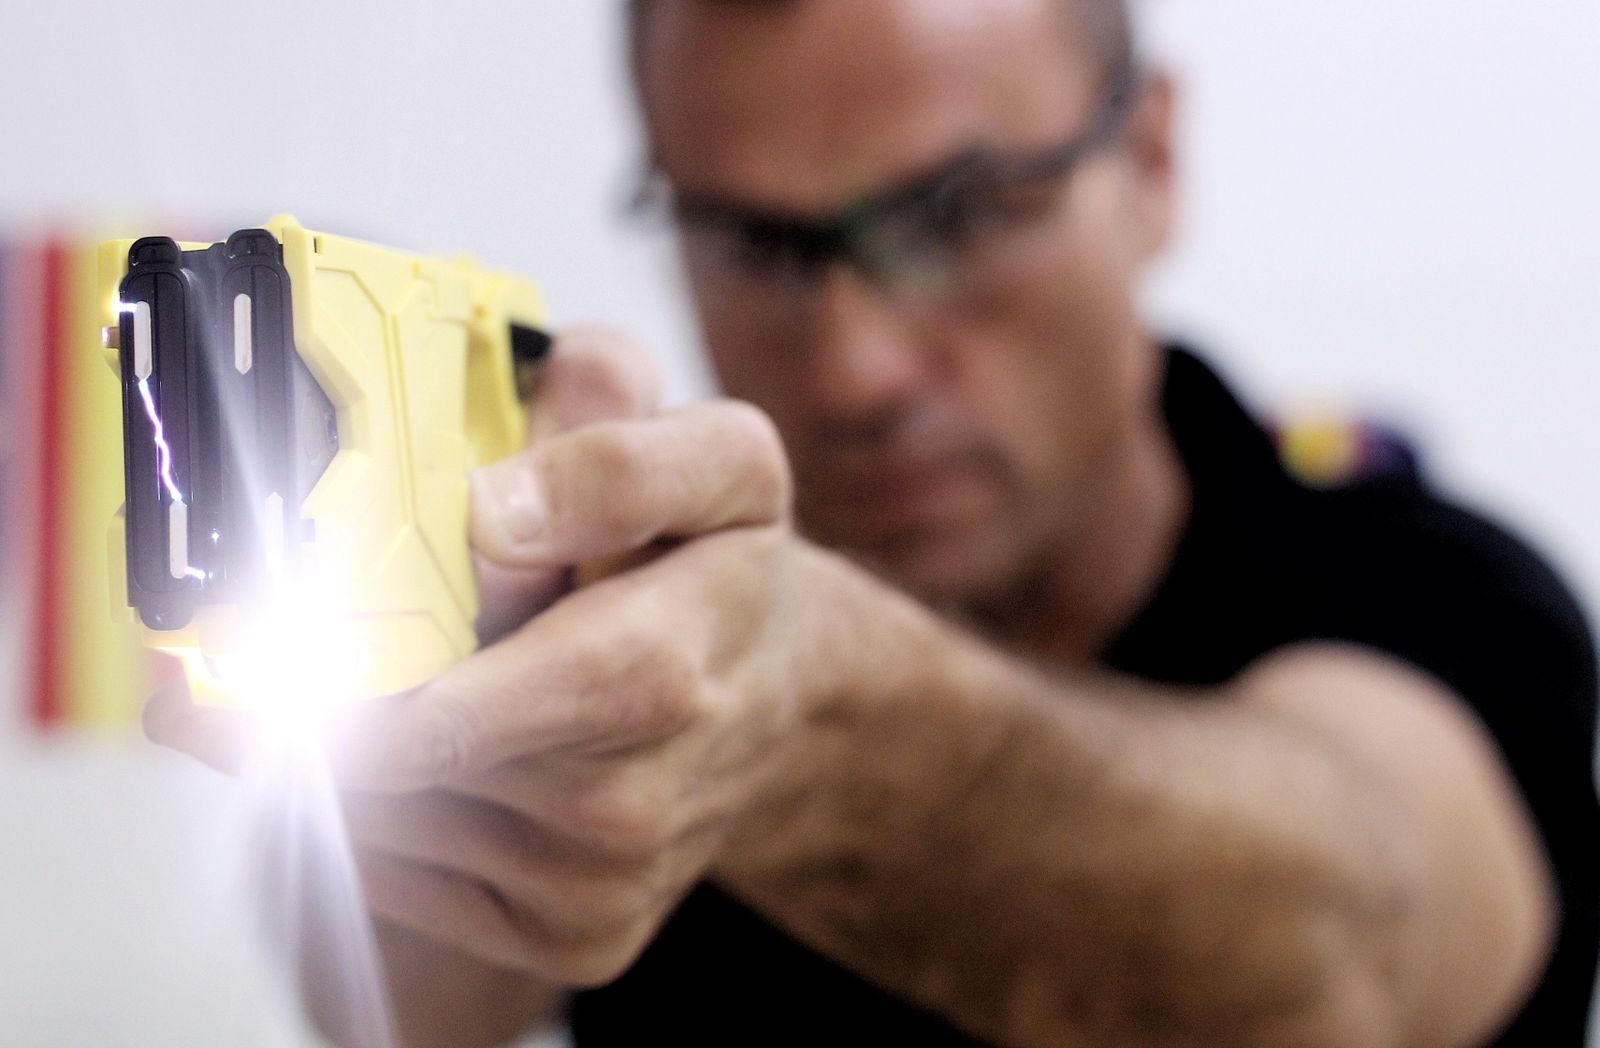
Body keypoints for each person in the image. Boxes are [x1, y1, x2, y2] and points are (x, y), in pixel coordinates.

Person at [147, 0, 1600, 1044]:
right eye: (751, 244)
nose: (856, 367)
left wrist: (808, 733)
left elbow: (1346, 960)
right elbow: (381, 1010)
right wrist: (467, 675)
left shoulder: (1440, 598)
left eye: (961, 213)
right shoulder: (632, 631)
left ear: (1150, 161)